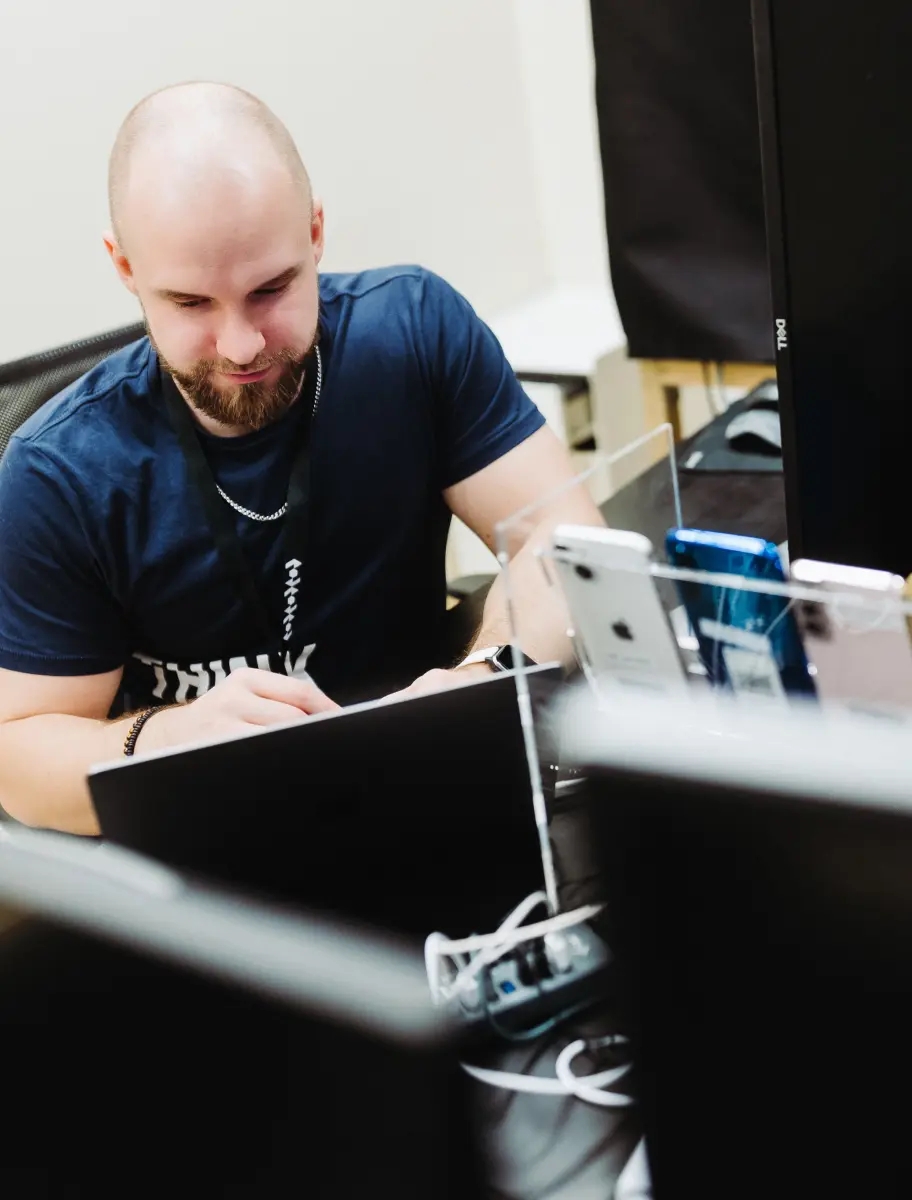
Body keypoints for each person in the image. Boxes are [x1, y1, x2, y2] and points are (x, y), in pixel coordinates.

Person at [0, 82, 602, 835]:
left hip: (423, 784)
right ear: (123, 266)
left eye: (272, 288)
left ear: (316, 232)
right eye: (190, 303)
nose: (243, 345)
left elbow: (564, 535)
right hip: (209, 830)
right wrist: (166, 741)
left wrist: (475, 683)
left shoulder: (412, 333)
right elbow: (20, 759)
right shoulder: (60, 470)